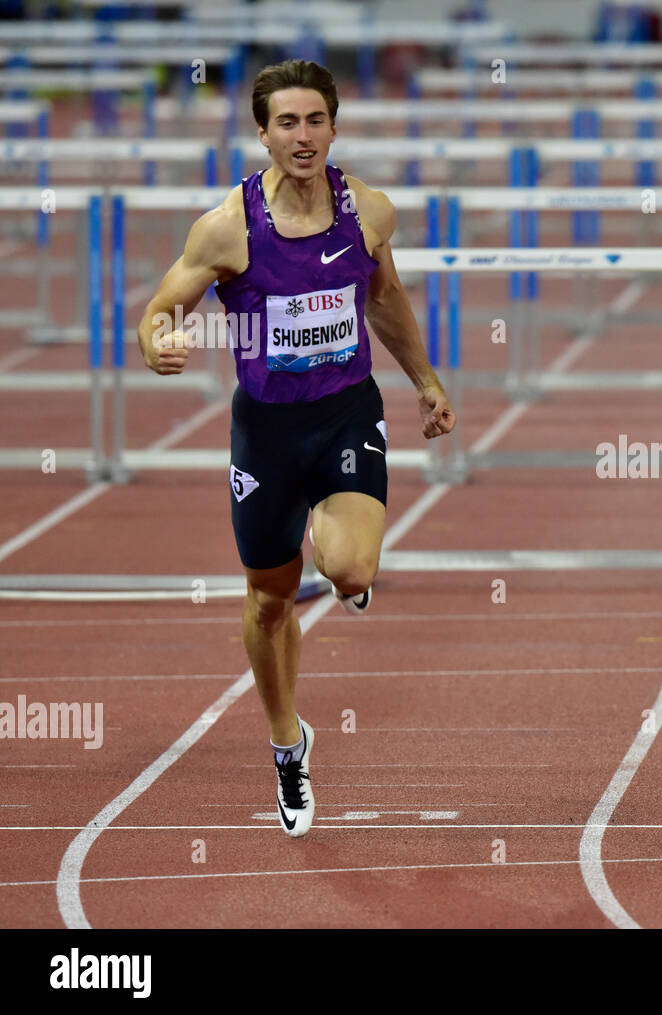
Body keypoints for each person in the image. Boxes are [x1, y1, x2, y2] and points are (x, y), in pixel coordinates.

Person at [137, 60, 456, 838]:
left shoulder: (368, 212)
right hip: (267, 433)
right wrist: (160, 346)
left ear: (334, 126)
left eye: (315, 121)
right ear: (264, 133)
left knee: (349, 568)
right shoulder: (227, 229)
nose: (303, 136)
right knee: (268, 600)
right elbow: (158, 309)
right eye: (287, 123)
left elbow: (384, 298)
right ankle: (289, 740)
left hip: (347, 414)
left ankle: (337, 541)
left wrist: (424, 379)